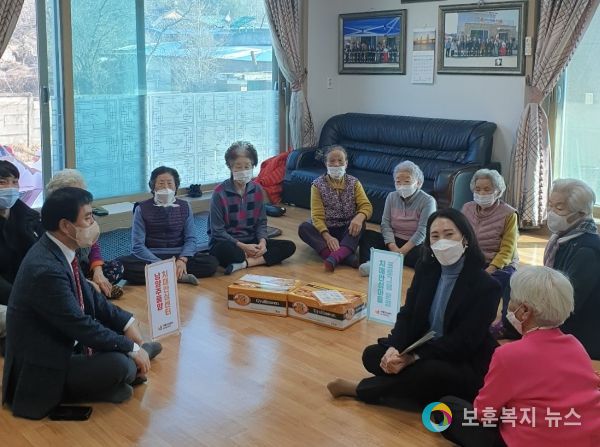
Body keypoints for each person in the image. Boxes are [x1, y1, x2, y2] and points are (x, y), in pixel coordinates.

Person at [2, 187, 162, 420]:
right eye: (88, 217)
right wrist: (131, 347)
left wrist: (127, 323)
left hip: (64, 342)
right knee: (121, 365)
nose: (93, 223)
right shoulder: (45, 269)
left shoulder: (59, 249)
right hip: (43, 365)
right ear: (66, 226)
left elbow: (93, 298)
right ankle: (121, 373)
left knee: (120, 333)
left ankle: (121, 374)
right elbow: (79, 325)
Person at [326, 208, 501, 406]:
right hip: (423, 345)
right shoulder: (427, 268)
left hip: (461, 357)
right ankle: (418, 389)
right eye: (435, 236)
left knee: (428, 371)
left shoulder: (487, 286)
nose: (442, 242)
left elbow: (463, 342)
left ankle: (360, 389)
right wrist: (396, 347)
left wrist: (414, 357)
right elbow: (408, 313)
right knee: (373, 355)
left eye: (449, 234)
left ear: (465, 239)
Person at [440, 266, 600, 447]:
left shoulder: (508, 354)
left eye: (511, 299)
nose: (508, 305)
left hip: (533, 439)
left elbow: (484, 414)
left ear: (524, 311)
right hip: (587, 437)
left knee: (446, 408)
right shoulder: (575, 345)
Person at [119, 166, 218, 285]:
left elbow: (191, 239)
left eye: (170, 184)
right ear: (153, 186)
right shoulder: (141, 209)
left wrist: (182, 260)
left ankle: (165, 276)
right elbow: (137, 245)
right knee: (121, 265)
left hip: (178, 254)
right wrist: (159, 264)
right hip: (152, 256)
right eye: (161, 184)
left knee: (211, 263)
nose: (166, 188)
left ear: (176, 186)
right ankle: (178, 276)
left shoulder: (185, 206)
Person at [208, 141, 296, 275]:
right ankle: (250, 258)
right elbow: (217, 231)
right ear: (230, 167)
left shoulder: (257, 190)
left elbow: (261, 222)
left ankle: (244, 263)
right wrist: (243, 246)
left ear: (253, 166)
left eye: (247, 166)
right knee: (233, 254)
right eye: (238, 167)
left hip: (251, 240)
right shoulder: (219, 193)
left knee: (289, 246)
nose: (243, 171)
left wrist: (262, 242)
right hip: (227, 243)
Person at [543, 178, 600, 360]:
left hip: (583, 335)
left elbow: (570, 302)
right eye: (550, 205)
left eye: (559, 208)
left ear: (580, 213)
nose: (551, 212)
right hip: (566, 320)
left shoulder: (587, 250)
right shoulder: (561, 240)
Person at [46, 169, 125, 299]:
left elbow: (93, 245)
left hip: (84, 267)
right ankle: (93, 291)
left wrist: (98, 272)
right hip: (67, 272)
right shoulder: (55, 226)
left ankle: (94, 290)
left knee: (116, 267)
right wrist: (84, 283)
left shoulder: (84, 214)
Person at [461, 169, 518, 338]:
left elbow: (507, 250)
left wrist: (490, 269)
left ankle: (497, 324)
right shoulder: (467, 208)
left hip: (500, 263)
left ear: (498, 191)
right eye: (478, 189)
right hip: (473, 258)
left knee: (490, 284)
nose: (481, 193)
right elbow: (460, 236)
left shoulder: (509, 214)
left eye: (487, 189)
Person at [298, 145, 373, 272]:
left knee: (361, 224)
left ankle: (334, 257)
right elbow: (317, 216)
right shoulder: (317, 185)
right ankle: (345, 257)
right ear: (326, 164)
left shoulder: (354, 183)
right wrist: (327, 236)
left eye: (340, 161)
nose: (336, 164)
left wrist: (359, 218)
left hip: (347, 229)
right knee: (304, 228)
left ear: (346, 164)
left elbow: (366, 206)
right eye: (332, 161)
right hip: (327, 229)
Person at [358, 161, 436, 276]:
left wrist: (402, 251)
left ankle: (389, 260)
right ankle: (370, 264)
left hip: (414, 245)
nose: (402, 185)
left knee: (427, 254)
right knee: (367, 236)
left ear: (418, 183)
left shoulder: (428, 201)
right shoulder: (391, 197)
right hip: (393, 242)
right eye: (398, 182)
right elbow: (385, 224)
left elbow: (423, 230)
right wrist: (393, 247)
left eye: (407, 181)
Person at [0, 161, 44, 354]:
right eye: (3, 182)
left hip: (27, 290)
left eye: (15, 182)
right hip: (10, 296)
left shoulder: (28, 218)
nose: (10, 188)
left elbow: (42, 257)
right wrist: (22, 298)